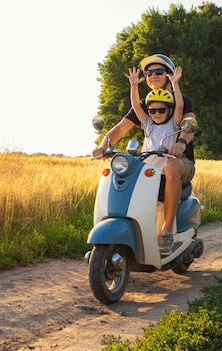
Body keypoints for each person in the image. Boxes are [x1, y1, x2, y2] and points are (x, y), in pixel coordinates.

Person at [92, 54, 196, 256]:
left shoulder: (181, 101)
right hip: (151, 162)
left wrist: (181, 142)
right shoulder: (145, 106)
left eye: (158, 71)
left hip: (179, 162)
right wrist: (103, 146)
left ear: (169, 75)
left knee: (171, 166)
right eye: (149, 73)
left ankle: (166, 231)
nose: (153, 75)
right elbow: (121, 128)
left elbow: (189, 125)